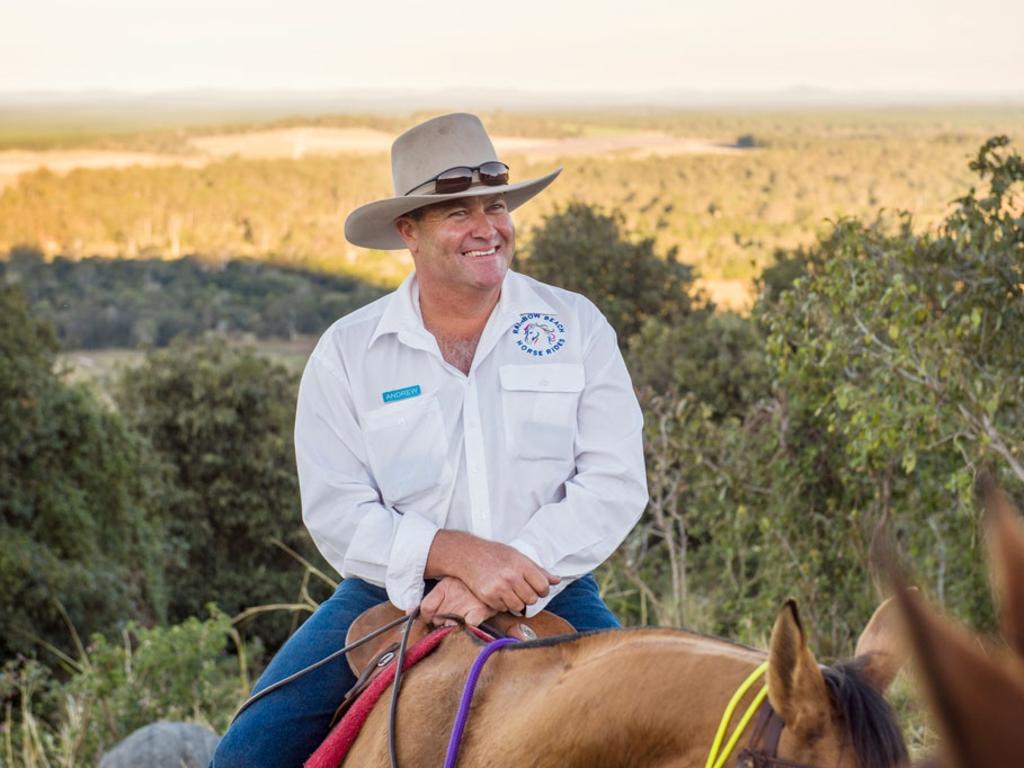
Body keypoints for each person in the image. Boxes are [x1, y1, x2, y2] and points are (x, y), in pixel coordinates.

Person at [211, 113, 648, 767]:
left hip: (553, 586)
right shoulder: (349, 353)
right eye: (456, 212)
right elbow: (337, 511)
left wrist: (502, 575)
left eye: (495, 206)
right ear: (407, 231)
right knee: (246, 756)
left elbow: (612, 481)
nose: (486, 228)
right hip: (385, 596)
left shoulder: (575, 326)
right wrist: (456, 555)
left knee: (658, 727)